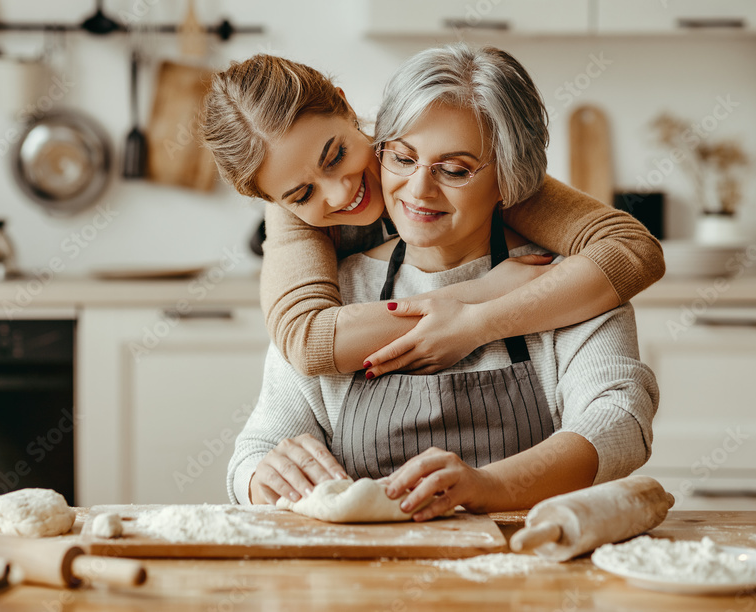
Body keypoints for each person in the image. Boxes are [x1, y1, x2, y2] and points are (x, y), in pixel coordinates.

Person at [225, 45, 658, 516]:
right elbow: (259, 446)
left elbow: (619, 422)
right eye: (403, 159)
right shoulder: (335, 294)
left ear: (511, 181)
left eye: (454, 170)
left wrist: (488, 486)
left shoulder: (567, 283)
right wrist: (259, 476)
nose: (418, 190)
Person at [201, 52, 664, 379]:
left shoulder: (433, 156)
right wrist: (482, 292)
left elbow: (632, 250)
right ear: (274, 200)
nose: (341, 191)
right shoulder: (289, 216)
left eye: (336, 154)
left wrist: (484, 323)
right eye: (302, 193)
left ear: (346, 108)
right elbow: (308, 341)